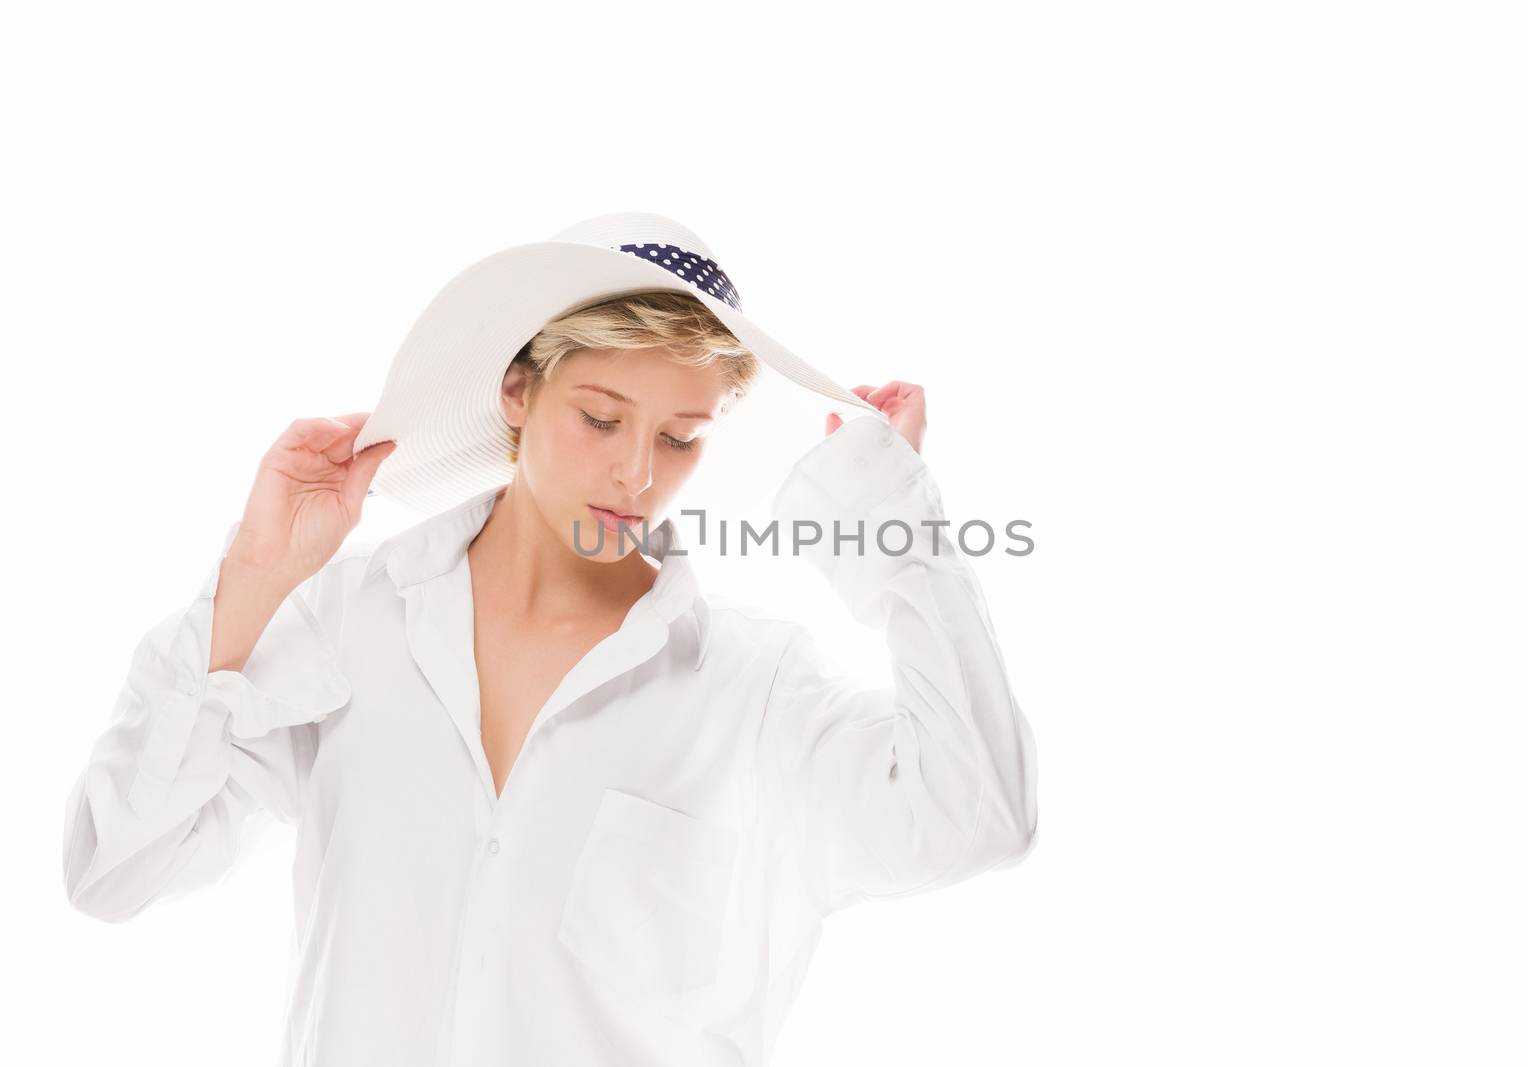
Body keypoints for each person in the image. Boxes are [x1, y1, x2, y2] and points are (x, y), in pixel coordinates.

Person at [62, 214, 1039, 1066]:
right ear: (518, 391)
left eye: (680, 436)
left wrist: (898, 530)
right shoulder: (352, 621)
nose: (635, 473)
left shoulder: (753, 686)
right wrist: (258, 576)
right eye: (601, 416)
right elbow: (114, 866)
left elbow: (977, 812)